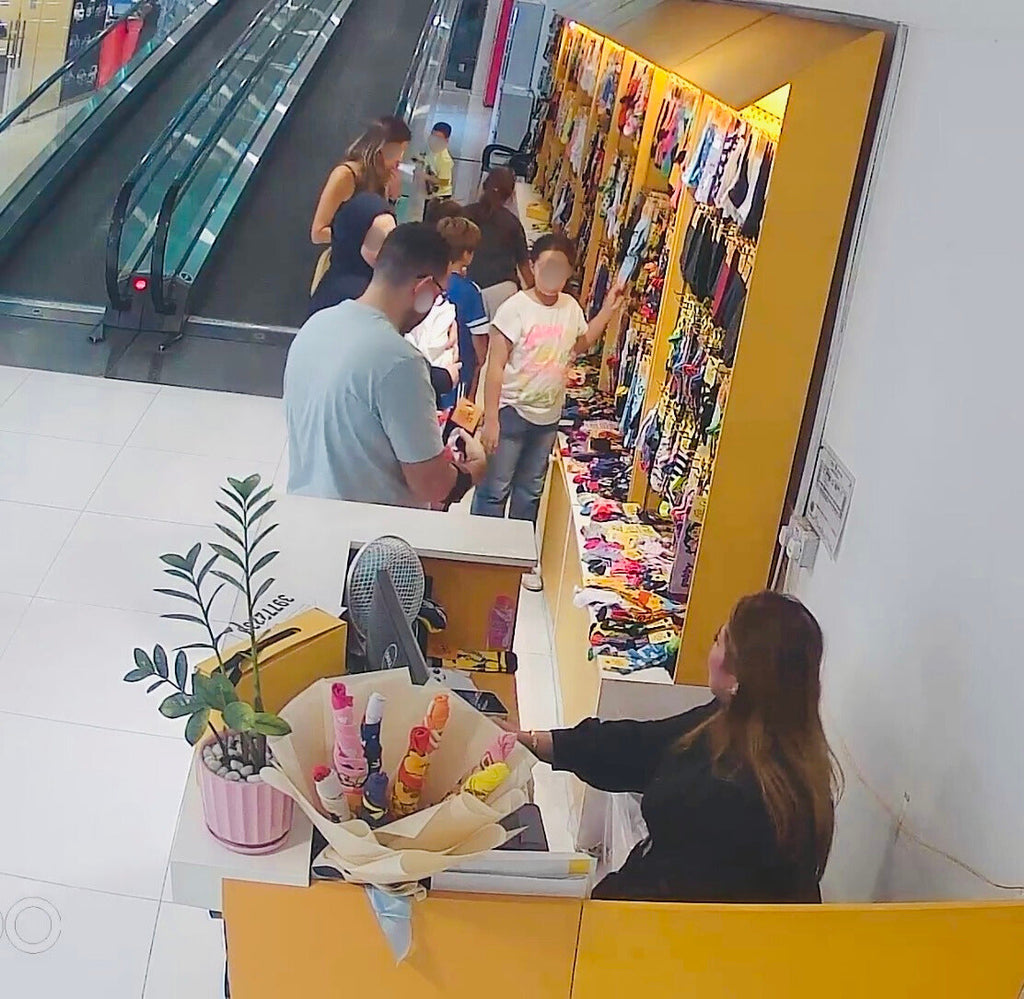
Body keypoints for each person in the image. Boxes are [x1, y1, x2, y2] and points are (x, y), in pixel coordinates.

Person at [510, 591, 839, 903]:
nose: (710, 651)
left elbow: (656, 896)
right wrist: (538, 741)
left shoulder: (732, 793)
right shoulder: (761, 732)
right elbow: (643, 746)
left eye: (719, 640)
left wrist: (579, 908)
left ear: (740, 676)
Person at [284, 224, 487, 509]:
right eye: (439, 293)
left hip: (307, 514)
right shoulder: (400, 362)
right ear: (424, 288)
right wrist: (472, 470)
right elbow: (431, 483)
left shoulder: (316, 325)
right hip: (368, 538)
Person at [472, 233, 623, 550]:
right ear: (532, 266)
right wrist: (491, 421)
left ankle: (516, 555)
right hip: (511, 411)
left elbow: (580, 345)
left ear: (569, 272)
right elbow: (495, 367)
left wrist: (608, 310)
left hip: (548, 417)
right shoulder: (514, 309)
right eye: (546, 267)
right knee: (495, 488)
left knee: (530, 491)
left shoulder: (570, 307)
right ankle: (482, 552)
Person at [309, 116, 411, 295]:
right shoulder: (346, 175)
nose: (400, 159)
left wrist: (393, 198)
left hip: (370, 273)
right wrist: (357, 236)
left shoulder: (382, 179)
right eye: (398, 151)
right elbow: (318, 232)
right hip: (344, 270)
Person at [405, 213, 489, 406]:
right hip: (457, 371)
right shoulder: (470, 291)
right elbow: (480, 346)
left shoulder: (422, 281)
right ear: (467, 254)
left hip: (425, 367)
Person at [308, 191, 395, 316]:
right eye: (376, 240)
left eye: (392, 239)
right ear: (354, 241)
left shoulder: (332, 281)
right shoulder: (359, 298)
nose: (387, 249)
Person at [462, 167, 533, 310]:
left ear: (483, 187)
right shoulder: (513, 223)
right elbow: (524, 268)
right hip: (503, 291)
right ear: (511, 195)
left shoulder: (464, 215)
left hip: (467, 286)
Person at [423, 121, 455, 218]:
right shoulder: (433, 151)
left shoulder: (445, 160)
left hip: (440, 198)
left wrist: (426, 177)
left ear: (446, 140)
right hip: (432, 194)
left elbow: (445, 182)